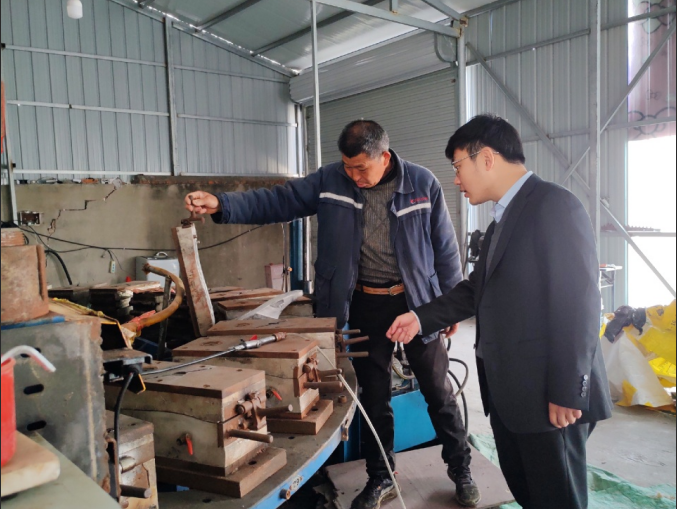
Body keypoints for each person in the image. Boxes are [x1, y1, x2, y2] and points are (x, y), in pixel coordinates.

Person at [185, 120, 481, 509]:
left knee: (438, 391)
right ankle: (381, 476)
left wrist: (448, 305)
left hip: (416, 303)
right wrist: (222, 204)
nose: (353, 176)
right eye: (347, 166)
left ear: (384, 157)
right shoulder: (330, 181)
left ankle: (461, 469)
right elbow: (279, 201)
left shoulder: (422, 183)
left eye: (361, 168)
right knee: (373, 396)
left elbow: (445, 247)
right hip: (364, 303)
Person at [387, 114, 613, 509]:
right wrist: (421, 317)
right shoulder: (500, 223)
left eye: (458, 166)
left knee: (557, 499)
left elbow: (579, 304)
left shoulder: (554, 206)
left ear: (487, 159)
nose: (456, 179)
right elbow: (477, 289)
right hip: (512, 397)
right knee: (528, 493)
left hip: (549, 398)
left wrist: (568, 391)